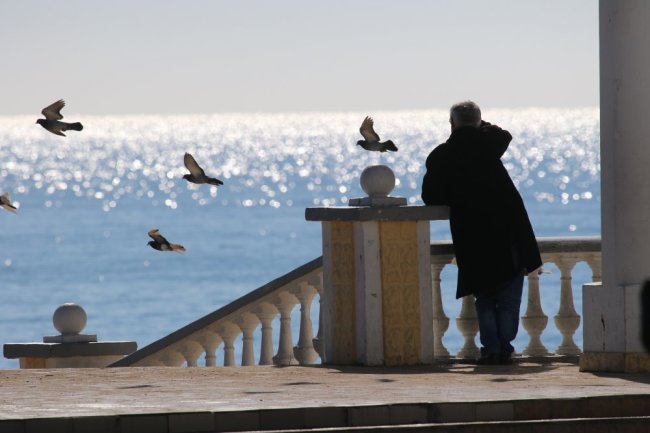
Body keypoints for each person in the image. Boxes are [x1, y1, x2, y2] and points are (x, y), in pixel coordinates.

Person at [421, 101, 542, 365]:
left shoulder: (442, 155)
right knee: (509, 296)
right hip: (508, 232)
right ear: (479, 122)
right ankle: (504, 347)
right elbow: (502, 133)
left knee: (484, 297)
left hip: (471, 233)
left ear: (451, 124)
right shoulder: (490, 144)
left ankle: (492, 349)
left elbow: (430, 196)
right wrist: (479, 125)